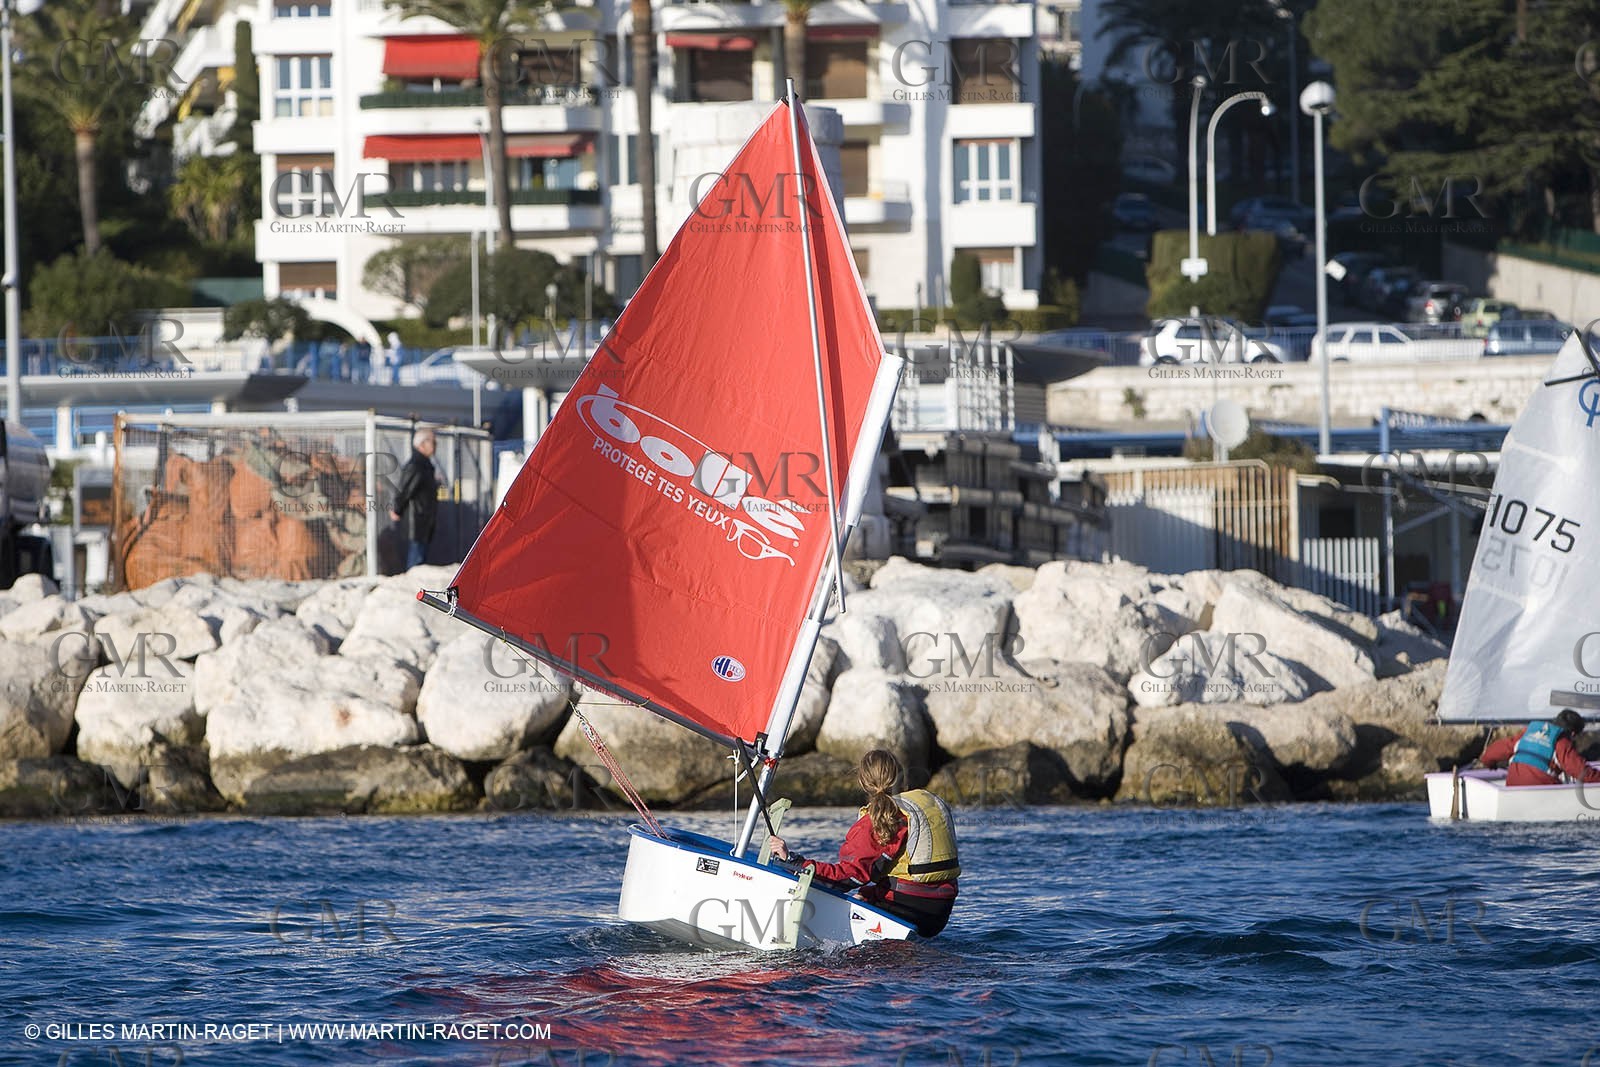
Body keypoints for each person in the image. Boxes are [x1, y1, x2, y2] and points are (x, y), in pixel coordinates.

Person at [768, 749, 960, 938]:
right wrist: (868, 894)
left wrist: (793, 861)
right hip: (940, 913)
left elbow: (845, 879)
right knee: (864, 895)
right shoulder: (926, 802)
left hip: (906, 909)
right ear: (902, 777)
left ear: (863, 782)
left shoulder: (882, 818)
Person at [1478, 709, 1600, 786]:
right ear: (1573, 734)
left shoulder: (1528, 732)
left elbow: (1497, 750)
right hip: (1540, 790)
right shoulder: (1561, 742)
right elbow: (1582, 772)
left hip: (1512, 787)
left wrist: (1488, 762)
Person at [389, 428, 440, 570]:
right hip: (417, 521)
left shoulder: (425, 465)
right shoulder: (417, 465)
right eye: (433, 442)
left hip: (424, 521)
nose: (435, 445)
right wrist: (397, 509)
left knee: (420, 558)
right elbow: (404, 489)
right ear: (422, 444)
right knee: (416, 563)